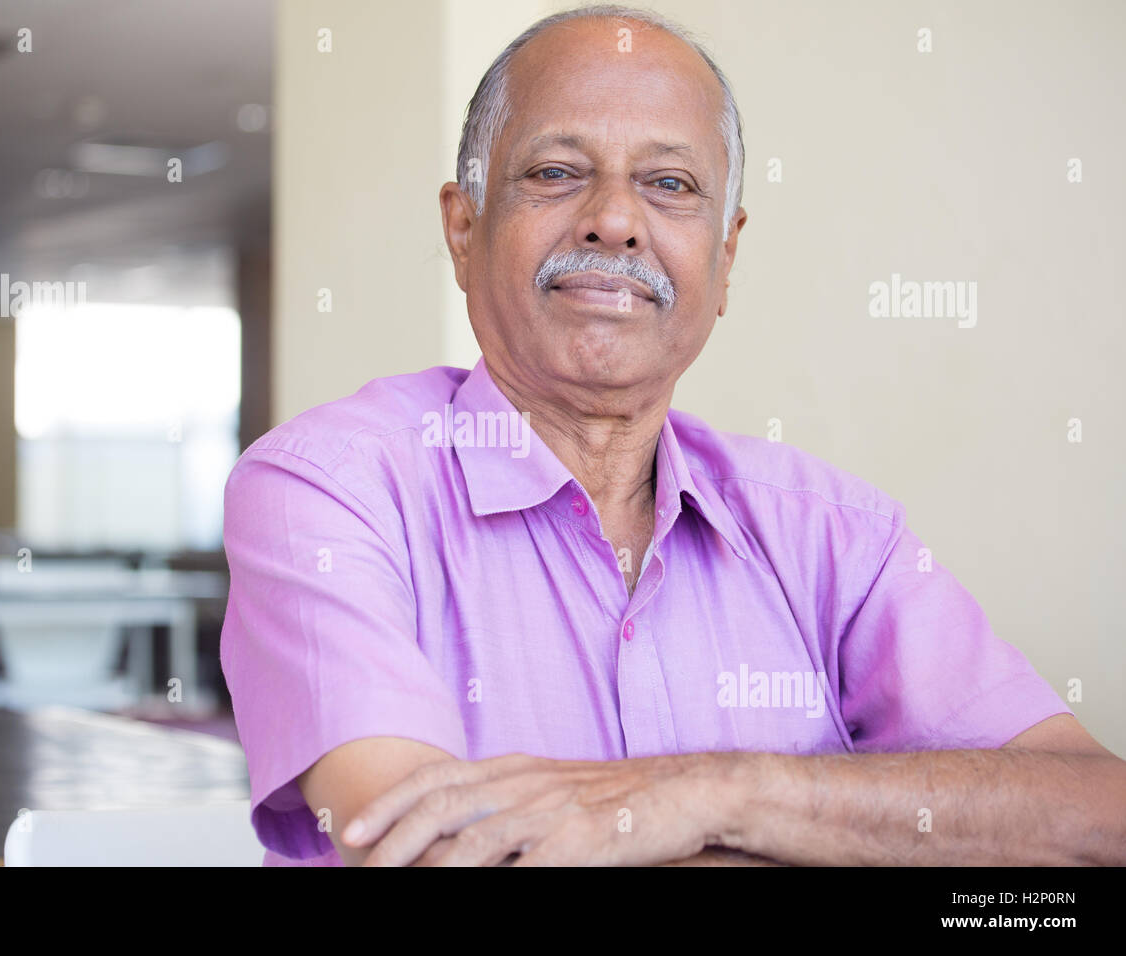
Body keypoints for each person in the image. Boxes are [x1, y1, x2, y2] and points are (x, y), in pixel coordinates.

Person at [220, 4, 1126, 866]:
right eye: (556, 171)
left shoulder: (837, 535)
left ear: (725, 260)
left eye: (669, 184)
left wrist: (717, 793)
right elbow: (429, 850)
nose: (614, 219)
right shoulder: (327, 490)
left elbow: (1095, 815)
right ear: (464, 230)